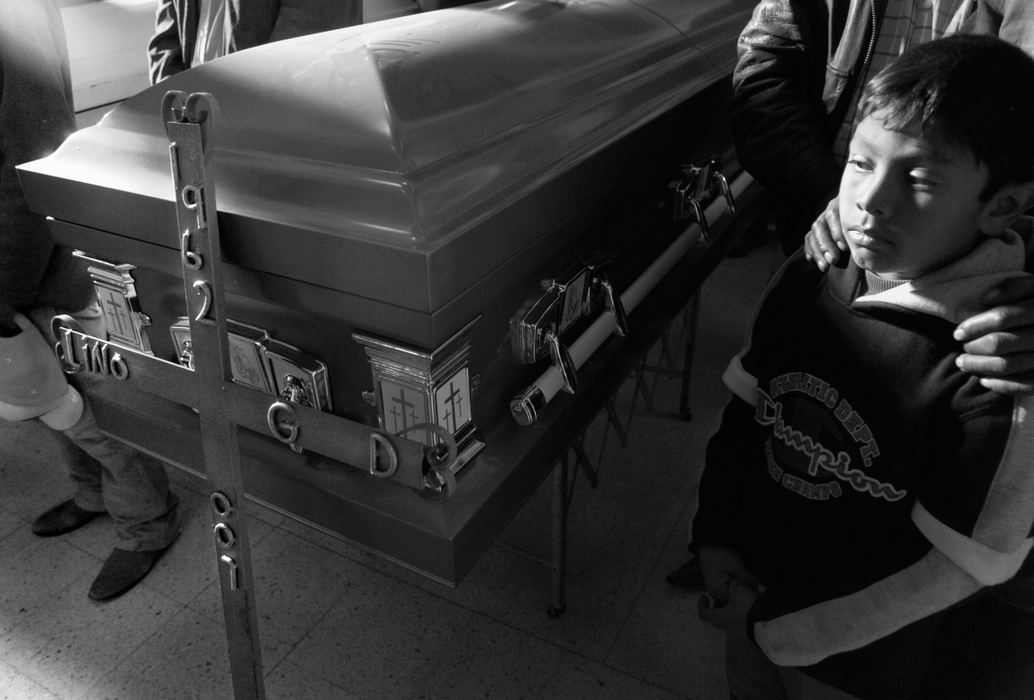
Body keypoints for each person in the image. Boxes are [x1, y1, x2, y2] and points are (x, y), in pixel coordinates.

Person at [692, 35, 1034, 699]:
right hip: (749, 591)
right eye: (859, 162)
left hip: (861, 653)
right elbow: (748, 411)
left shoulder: (998, 365)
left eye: (920, 179)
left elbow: (956, 562)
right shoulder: (815, 272)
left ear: (1004, 207)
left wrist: (777, 628)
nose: (870, 202)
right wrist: (715, 538)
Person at [1, 0, 180, 602]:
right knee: (42, 395)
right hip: (19, 263)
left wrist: (8, 291)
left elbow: (24, 165)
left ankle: (146, 522)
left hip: (31, 260)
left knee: (88, 406)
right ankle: (94, 495)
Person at [147, 0, 363, 84]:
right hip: (199, 116)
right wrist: (174, 104)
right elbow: (166, 44)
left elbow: (305, 52)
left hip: (269, 121)